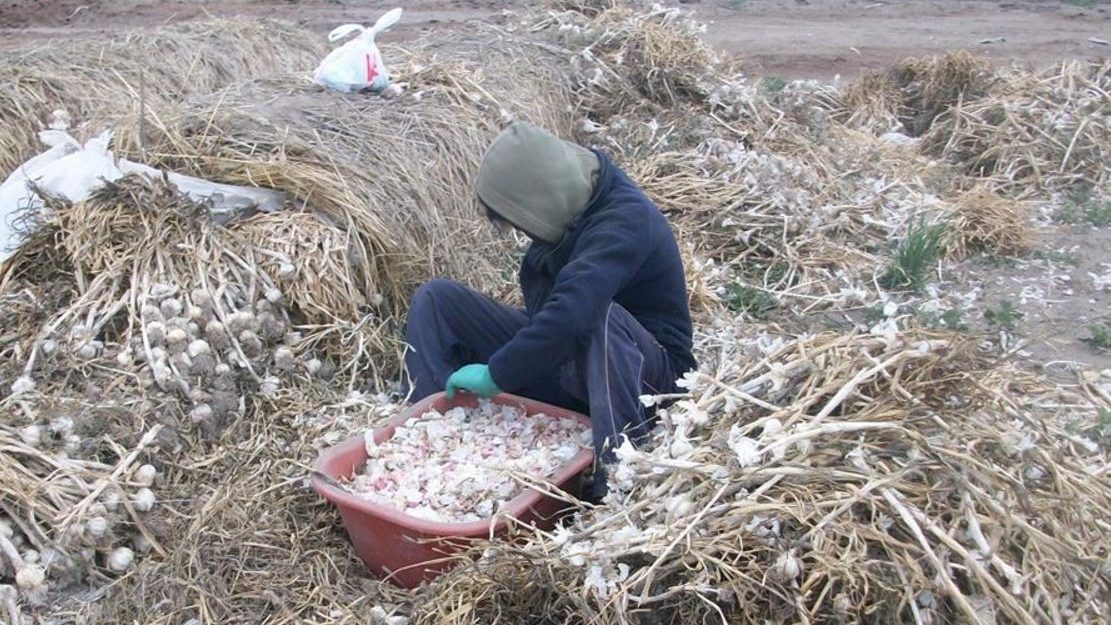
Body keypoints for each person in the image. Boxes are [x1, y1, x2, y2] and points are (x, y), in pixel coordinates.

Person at [403, 121, 696, 500]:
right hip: (573, 364)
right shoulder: (571, 210)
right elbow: (550, 317)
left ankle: (617, 478)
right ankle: (428, 432)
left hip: (644, 383)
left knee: (596, 315)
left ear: (539, 197)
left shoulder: (627, 222)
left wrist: (499, 372)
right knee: (437, 299)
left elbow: (575, 312)